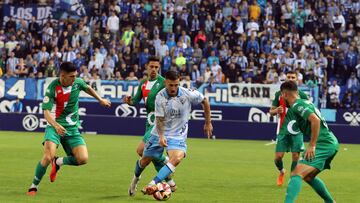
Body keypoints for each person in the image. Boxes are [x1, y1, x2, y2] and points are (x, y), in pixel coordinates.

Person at [26, 62, 111, 196]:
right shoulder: (52, 88)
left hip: (72, 128)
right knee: (48, 156)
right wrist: (56, 125)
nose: (74, 78)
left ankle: (58, 162)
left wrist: (100, 99)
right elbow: (46, 113)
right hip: (54, 126)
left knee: (83, 159)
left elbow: (87, 87)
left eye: (75, 76)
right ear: (63, 75)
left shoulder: (77, 82)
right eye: (71, 76)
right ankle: (33, 186)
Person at [136, 70, 213, 195]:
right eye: (171, 85)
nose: (174, 88)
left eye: (176, 85)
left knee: (177, 158)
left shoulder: (188, 94)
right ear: (165, 82)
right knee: (143, 158)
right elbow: (159, 120)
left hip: (178, 135)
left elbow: (205, 101)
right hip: (159, 132)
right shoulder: (160, 97)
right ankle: (139, 178)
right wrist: (161, 137)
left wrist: (208, 122)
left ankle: (153, 184)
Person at [125, 56, 176, 196]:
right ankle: (168, 173)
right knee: (146, 154)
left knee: (141, 150)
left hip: (160, 122)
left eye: (156, 67)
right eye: (151, 67)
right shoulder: (143, 83)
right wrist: (129, 101)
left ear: (159, 68)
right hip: (149, 122)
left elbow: (172, 96)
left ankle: (136, 180)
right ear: (146, 67)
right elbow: (136, 100)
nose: (153, 69)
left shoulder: (163, 82)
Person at [280, 81, 338, 203]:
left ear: (284, 94)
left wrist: (312, 145)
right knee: (308, 177)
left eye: (281, 96)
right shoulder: (305, 102)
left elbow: (315, 120)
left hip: (324, 144)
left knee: (296, 173)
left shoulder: (297, 105)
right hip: (329, 142)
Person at [269, 71, 308, 186]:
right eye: (289, 77)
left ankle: (293, 179)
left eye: (293, 77)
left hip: (297, 131)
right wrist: (276, 111)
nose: (291, 79)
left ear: (297, 79)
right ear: (285, 79)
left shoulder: (303, 95)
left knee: (295, 155)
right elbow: (271, 111)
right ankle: (281, 171)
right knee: (278, 157)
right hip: (283, 130)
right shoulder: (279, 94)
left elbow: (308, 112)